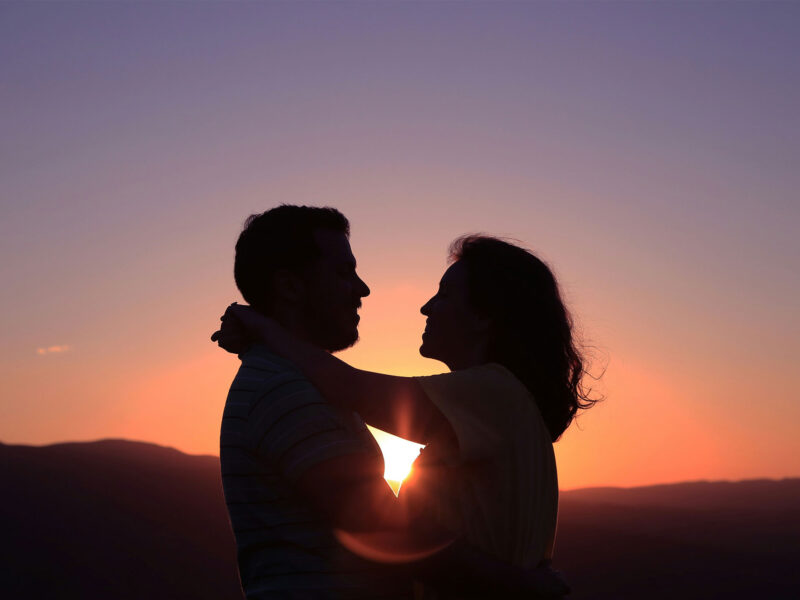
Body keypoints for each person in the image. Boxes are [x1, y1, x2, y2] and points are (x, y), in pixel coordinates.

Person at [214, 205, 569, 600]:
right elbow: (383, 526)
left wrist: (262, 329)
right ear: (291, 288)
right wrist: (524, 586)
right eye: (344, 272)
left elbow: (354, 388)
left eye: (445, 294)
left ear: (486, 317)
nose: (362, 288)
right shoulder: (283, 387)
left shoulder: (494, 395)